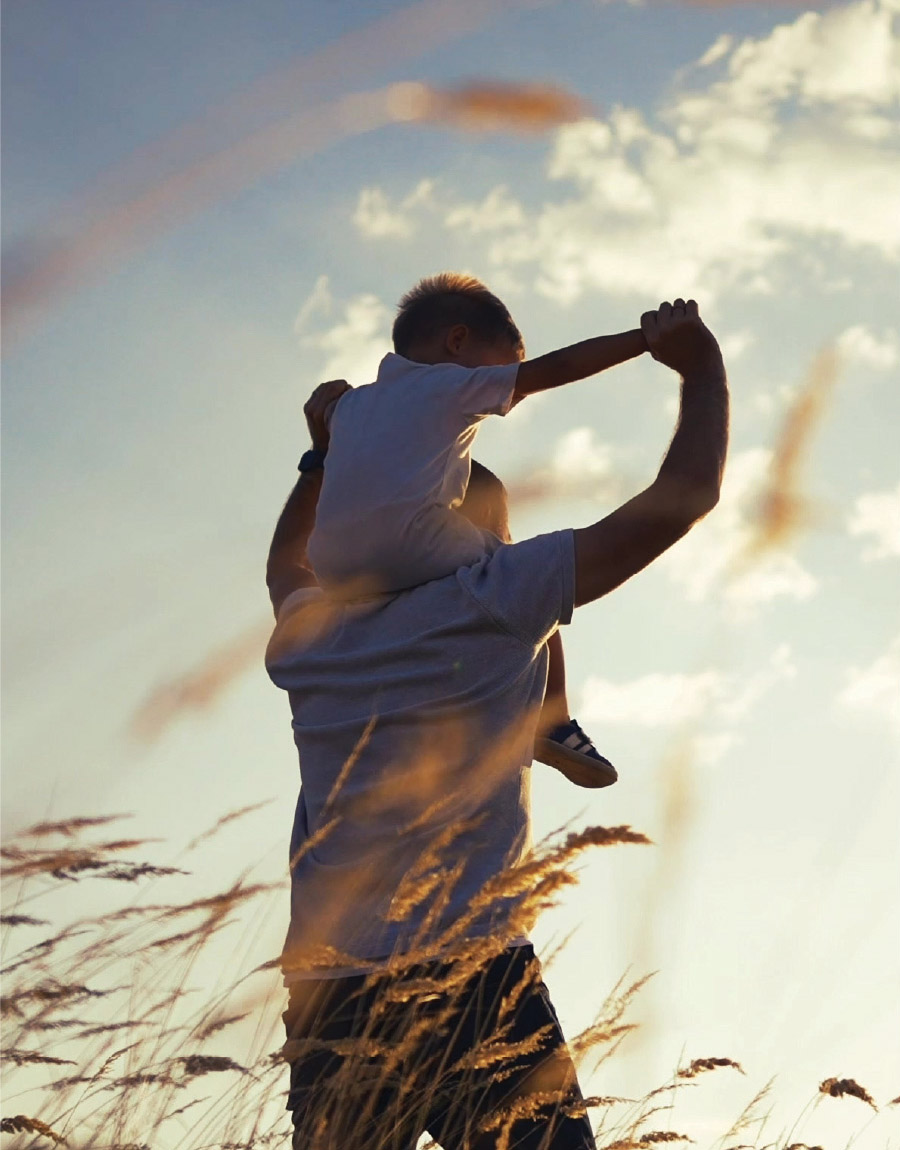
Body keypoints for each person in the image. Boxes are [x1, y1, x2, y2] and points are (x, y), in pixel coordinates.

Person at [266, 298, 728, 1149]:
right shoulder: (491, 602)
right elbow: (683, 497)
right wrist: (699, 368)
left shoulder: (306, 642)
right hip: (468, 976)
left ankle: (554, 724)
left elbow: (284, 561)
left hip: (330, 988)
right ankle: (557, 725)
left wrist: (322, 459)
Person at [307, 272, 648, 787]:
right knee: (529, 574)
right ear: (458, 341)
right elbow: (558, 368)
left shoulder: (351, 406)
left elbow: (324, 411)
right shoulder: (447, 384)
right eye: (501, 370)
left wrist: (321, 433)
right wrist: (646, 339)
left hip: (329, 569)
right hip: (408, 541)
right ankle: (552, 722)